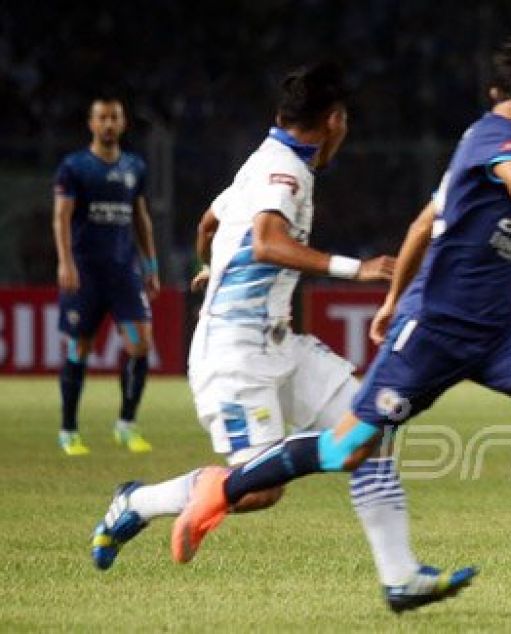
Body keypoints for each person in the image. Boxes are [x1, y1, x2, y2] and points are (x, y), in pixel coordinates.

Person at [166, 34, 511, 594]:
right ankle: (222, 489)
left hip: (496, 329)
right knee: (346, 447)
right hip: (439, 329)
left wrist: (390, 297)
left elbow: (423, 225)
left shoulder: (480, 145)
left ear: (499, 89)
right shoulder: (497, 138)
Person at [88, 62, 475, 613]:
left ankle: (401, 578)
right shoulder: (284, 173)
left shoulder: (266, 163)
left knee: (373, 430)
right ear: (335, 121)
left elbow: (208, 223)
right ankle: (139, 501)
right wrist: (356, 269)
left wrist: (211, 267)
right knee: (261, 488)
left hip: (280, 344)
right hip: (234, 354)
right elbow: (268, 242)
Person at [52, 97, 159, 456]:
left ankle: (126, 424)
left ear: (123, 122)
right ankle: (69, 430)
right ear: (91, 123)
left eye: (114, 117)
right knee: (80, 346)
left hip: (124, 273)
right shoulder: (75, 167)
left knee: (140, 344)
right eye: (102, 117)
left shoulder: (135, 167)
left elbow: (141, 218)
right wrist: (65, 262)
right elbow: (61, 217)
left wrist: (151, 267)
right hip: (86, 274)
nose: (109, 124)